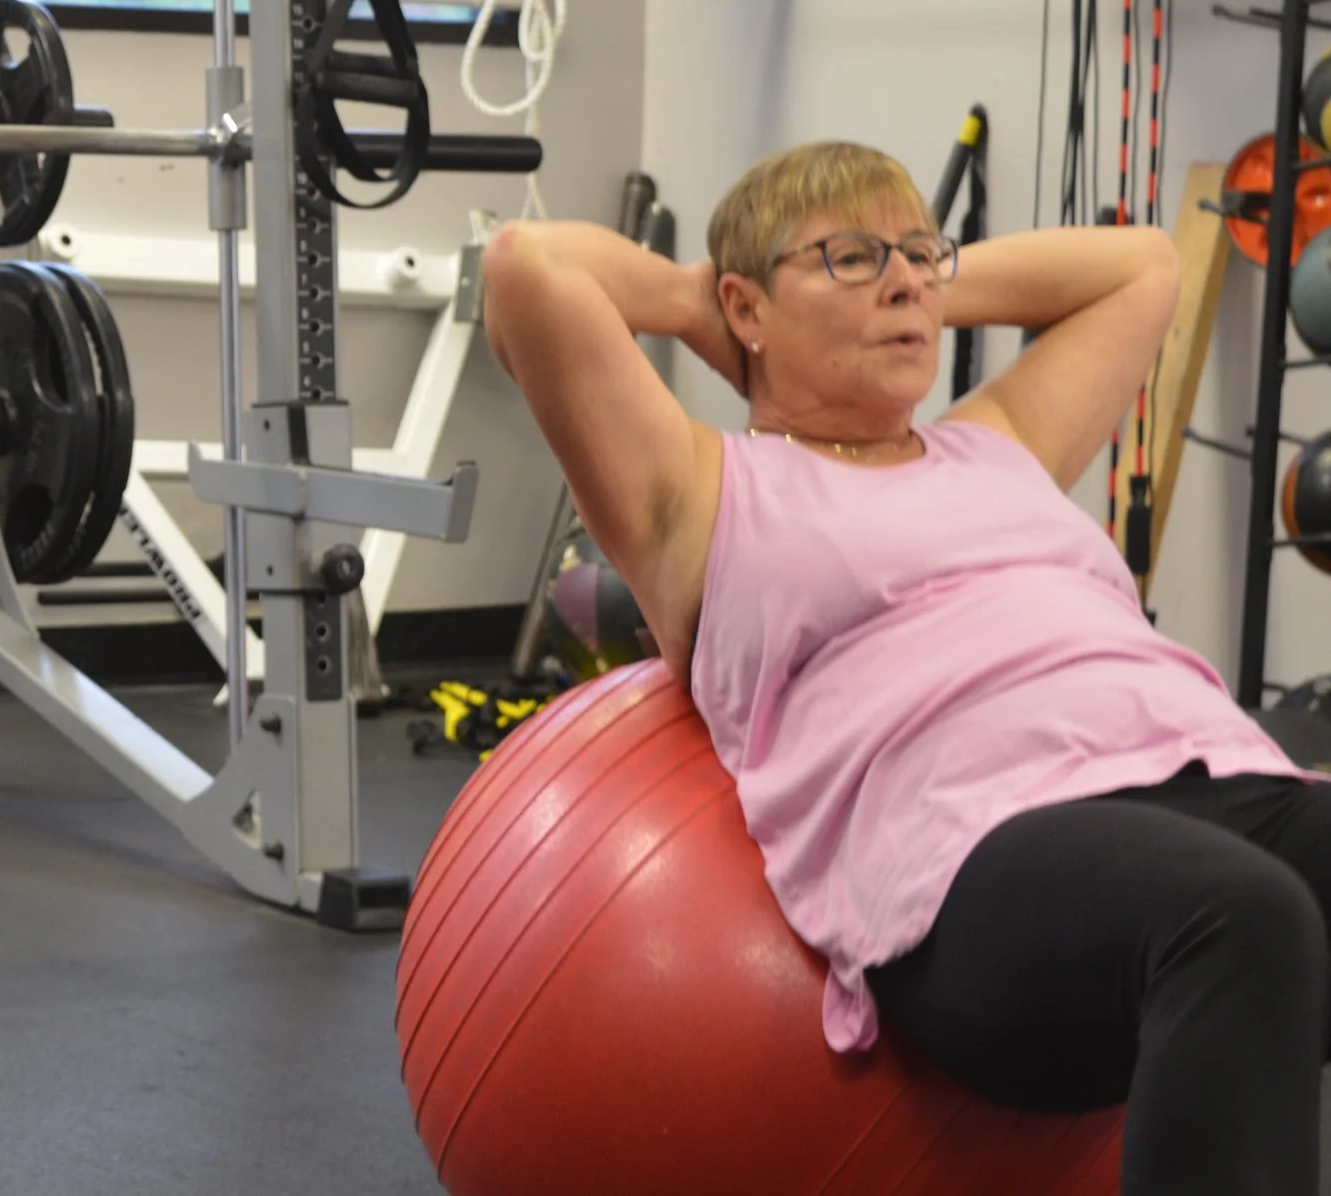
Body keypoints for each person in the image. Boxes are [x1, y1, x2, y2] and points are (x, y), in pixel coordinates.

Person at [481, 140, 1330, 1196]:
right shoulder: (701, 494)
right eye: (847, 258)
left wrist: (910, 276)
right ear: (747, 307)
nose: (900, 280)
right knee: (1239, 918)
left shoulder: (998, 441)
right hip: (974, 850)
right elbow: (527, 268)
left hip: (1201, 768)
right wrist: (704, 305)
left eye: (915, 254)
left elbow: (1142, 265)